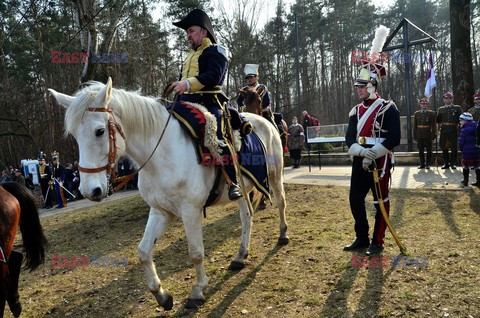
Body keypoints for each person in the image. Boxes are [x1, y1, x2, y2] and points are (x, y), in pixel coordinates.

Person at [170, 9, 251, 201]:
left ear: (203, 31)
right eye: (187, 32)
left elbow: (214, 76)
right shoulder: (190, 55)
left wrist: (187, 83)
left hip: (209, 101)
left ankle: (233, 182)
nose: (187, 35)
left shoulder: (217, 51)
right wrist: (180, 86)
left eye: (191, 30)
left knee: (215, 131)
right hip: (185, 102)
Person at [344, 25, 401, 256]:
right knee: (355, 199)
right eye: (357, 86)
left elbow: (395, 137)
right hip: (360, 159)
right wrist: (360, 153)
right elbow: (349, 139)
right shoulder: (355, 111)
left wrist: (373, 153)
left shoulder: (389, 108)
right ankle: (362, 237)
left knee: (380, 202)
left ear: (372, 85)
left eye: (362, 86)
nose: (358, 90)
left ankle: (378, 241)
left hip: (380, 160)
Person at [436, 92, 463, 169]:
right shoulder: (441, 109)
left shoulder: (457, 108)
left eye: (450, 98)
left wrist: (460, 128)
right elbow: (438, 120)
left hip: (453, 129)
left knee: (454, 147)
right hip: (444, 130)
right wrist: (436, 116)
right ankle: (446, 163)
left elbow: (461, 118)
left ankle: (453, 163)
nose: (448, 100)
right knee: (444, 147)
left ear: (452, 99)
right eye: (446, 98)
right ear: (444, 99)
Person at [413, 98, 437, 169]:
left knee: (429, 150)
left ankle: (428, 164)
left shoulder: (431, 113)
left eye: (425, 104)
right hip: (419, 135)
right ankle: (422, 164)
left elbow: (434, 126)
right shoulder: (417, 113)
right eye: (422, 104)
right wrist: (415, 135)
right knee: (420, 150)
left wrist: (433, 135)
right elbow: (415, 126)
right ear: (420, 104)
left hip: (428, 135)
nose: (424, 105)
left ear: (427, 104)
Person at [458, 112, 480, 187]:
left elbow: (461, 141)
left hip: (467, 151)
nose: (460, 122)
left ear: (465, 121)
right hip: (477, 150)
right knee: (477, 166)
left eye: (460, 120)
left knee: (465, 166)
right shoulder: (477, 127)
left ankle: (465, 181)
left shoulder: (464, 130)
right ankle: (478, 181)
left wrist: (461, 149)